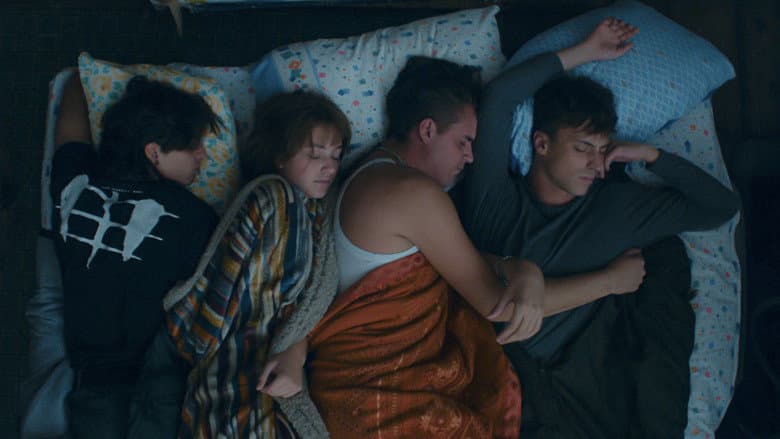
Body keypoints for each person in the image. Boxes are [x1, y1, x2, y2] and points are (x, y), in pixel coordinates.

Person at [305, 51, 627, 437]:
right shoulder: (413, 194)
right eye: (463, 141)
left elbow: (452, 258)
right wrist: (611, 281)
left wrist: (517, 267)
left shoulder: (368, 173)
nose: (471, 157)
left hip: (354, 379)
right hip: (380, 388)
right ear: (428, 130)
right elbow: (500, 305)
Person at [456, 18, 740, 438]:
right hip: (508, 375)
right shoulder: (495, 200)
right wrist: (584, 52)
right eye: (582, 148)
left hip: (589, 375)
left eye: (603, 149)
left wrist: (649, 155)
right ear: (541, 143)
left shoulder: (616, 208)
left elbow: (721, 207)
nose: (594, 162)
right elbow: (500, 98)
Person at [164, 90, 351, 438]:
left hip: (267, 369)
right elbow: (255, 307)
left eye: (337, 156)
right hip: (243, 367)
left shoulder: (316, 211)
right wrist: (292, 344)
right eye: (315, 155)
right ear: (279, 155)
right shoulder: (276, 199)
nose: (329, 166)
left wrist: (295, 345)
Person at [50, 73, 220, 438]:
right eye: (194, 146)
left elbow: (70, 122)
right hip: (160, 381)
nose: (203, 156)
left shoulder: (77, 186)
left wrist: (80, 76)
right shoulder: (195, 216)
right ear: (154, 152)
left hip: (96, 381)